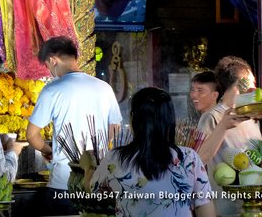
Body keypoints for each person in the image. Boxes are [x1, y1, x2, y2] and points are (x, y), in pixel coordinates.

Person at [26, 36, 122, 215]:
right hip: (98, 182)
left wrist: (49, 150)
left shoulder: (52, 90)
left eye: (47, 66)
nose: (50, 73)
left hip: (64, 184)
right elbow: (115, 128)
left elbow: (31, 135)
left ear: (53, 60)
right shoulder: (104, 88)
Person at [89, 87, 216, 217]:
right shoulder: (189, 158)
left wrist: (87, 165)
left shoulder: (116, 158)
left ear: (134, 119)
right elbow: (205, 210)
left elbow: (93, 191)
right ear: (170, 120)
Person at [197, 56, 262, 217]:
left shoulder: (251, 118)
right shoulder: (212, 117)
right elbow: (197, 162)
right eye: (252, 83)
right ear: (241, 82)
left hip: (258, 206)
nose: (255, 89)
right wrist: (223, 127)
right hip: (228, 210)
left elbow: (259, 166)